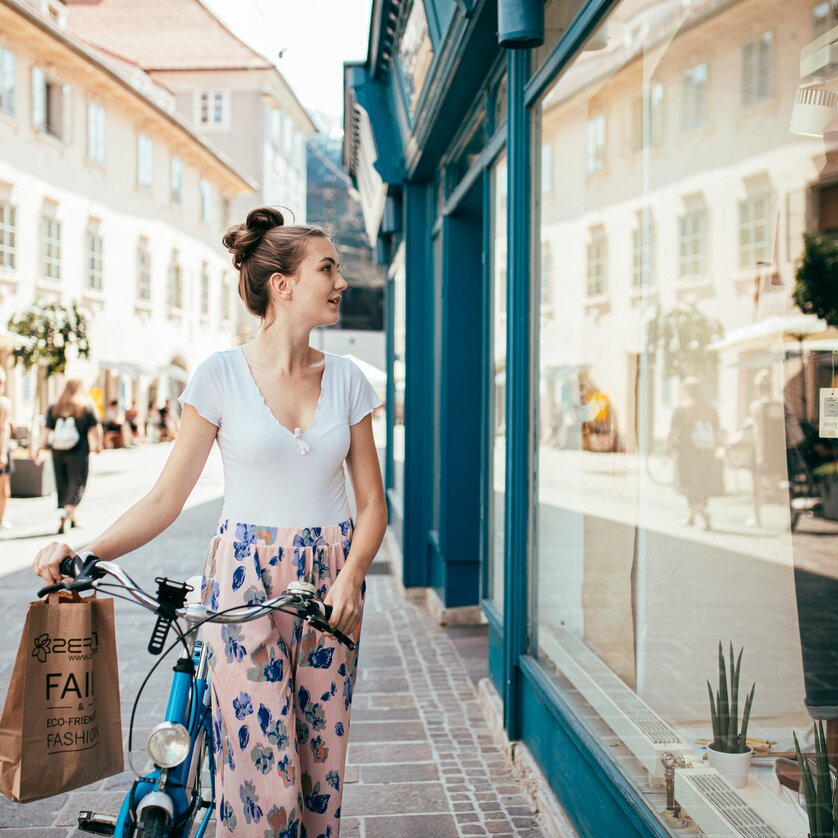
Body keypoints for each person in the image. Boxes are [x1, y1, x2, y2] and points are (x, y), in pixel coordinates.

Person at [32, 207, 388, 837]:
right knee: (261, 786)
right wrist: (84, 549)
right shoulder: (219, 376)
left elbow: (371, 505)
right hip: (243, 584)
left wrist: (352, 577)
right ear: (282, 284)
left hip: (330, 590)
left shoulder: (350, 382)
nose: (341, 283)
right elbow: (166, 499)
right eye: (328, 269)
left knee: (318, 778)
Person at [35, 378, 102, 533]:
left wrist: (39, 448)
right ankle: (67, 511)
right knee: (77, 482)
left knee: (63, 482)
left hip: (58, 452)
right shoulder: (85, 406)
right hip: (79, 452)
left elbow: (46, 430)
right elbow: (94, 428)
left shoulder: (55, 407)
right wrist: (97, 445)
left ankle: (71, 518)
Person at [667, 376, 723, 530]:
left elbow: (675, 432)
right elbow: (717, 432)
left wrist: (668, 448)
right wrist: (723, 448)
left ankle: (702, 513)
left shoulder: (682, 409)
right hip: (707, 452)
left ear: (685, 390)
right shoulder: (710, 409)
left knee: (689, 484)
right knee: (702, 483)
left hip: (687, 453)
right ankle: (693, 515)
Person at [0, 367, 14, 529]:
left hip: (2, 449)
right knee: (3, 489)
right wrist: (3, 453)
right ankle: (2, 520)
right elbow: (3, 428)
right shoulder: (4, 403)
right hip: (1, 449)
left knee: (4, 488)